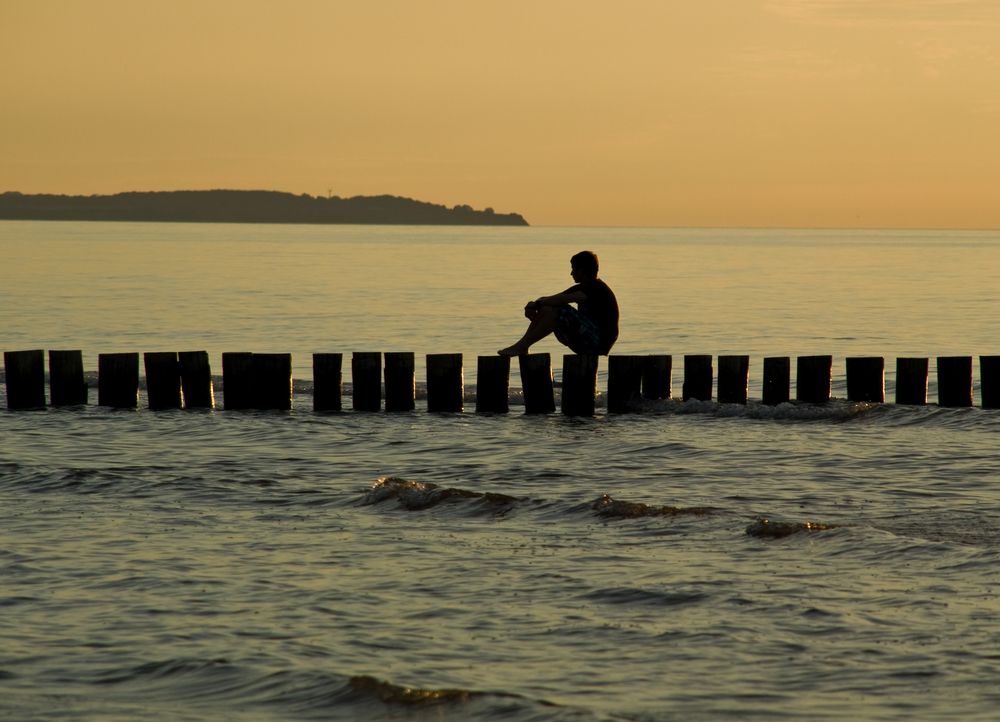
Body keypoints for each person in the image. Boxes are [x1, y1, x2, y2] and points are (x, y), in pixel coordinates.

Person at [498, 250, 619, 357]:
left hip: (598, 342)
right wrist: (533, 304)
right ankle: (522, 346)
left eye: (573, 269)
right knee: (548, 308)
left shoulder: (595, 288)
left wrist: (537, 304)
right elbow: (554, 298)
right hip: (588, 339)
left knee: (558, 310)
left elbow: (560, 300)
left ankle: (521, 346)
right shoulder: (582, 287)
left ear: (581, 270)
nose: (571, 273)